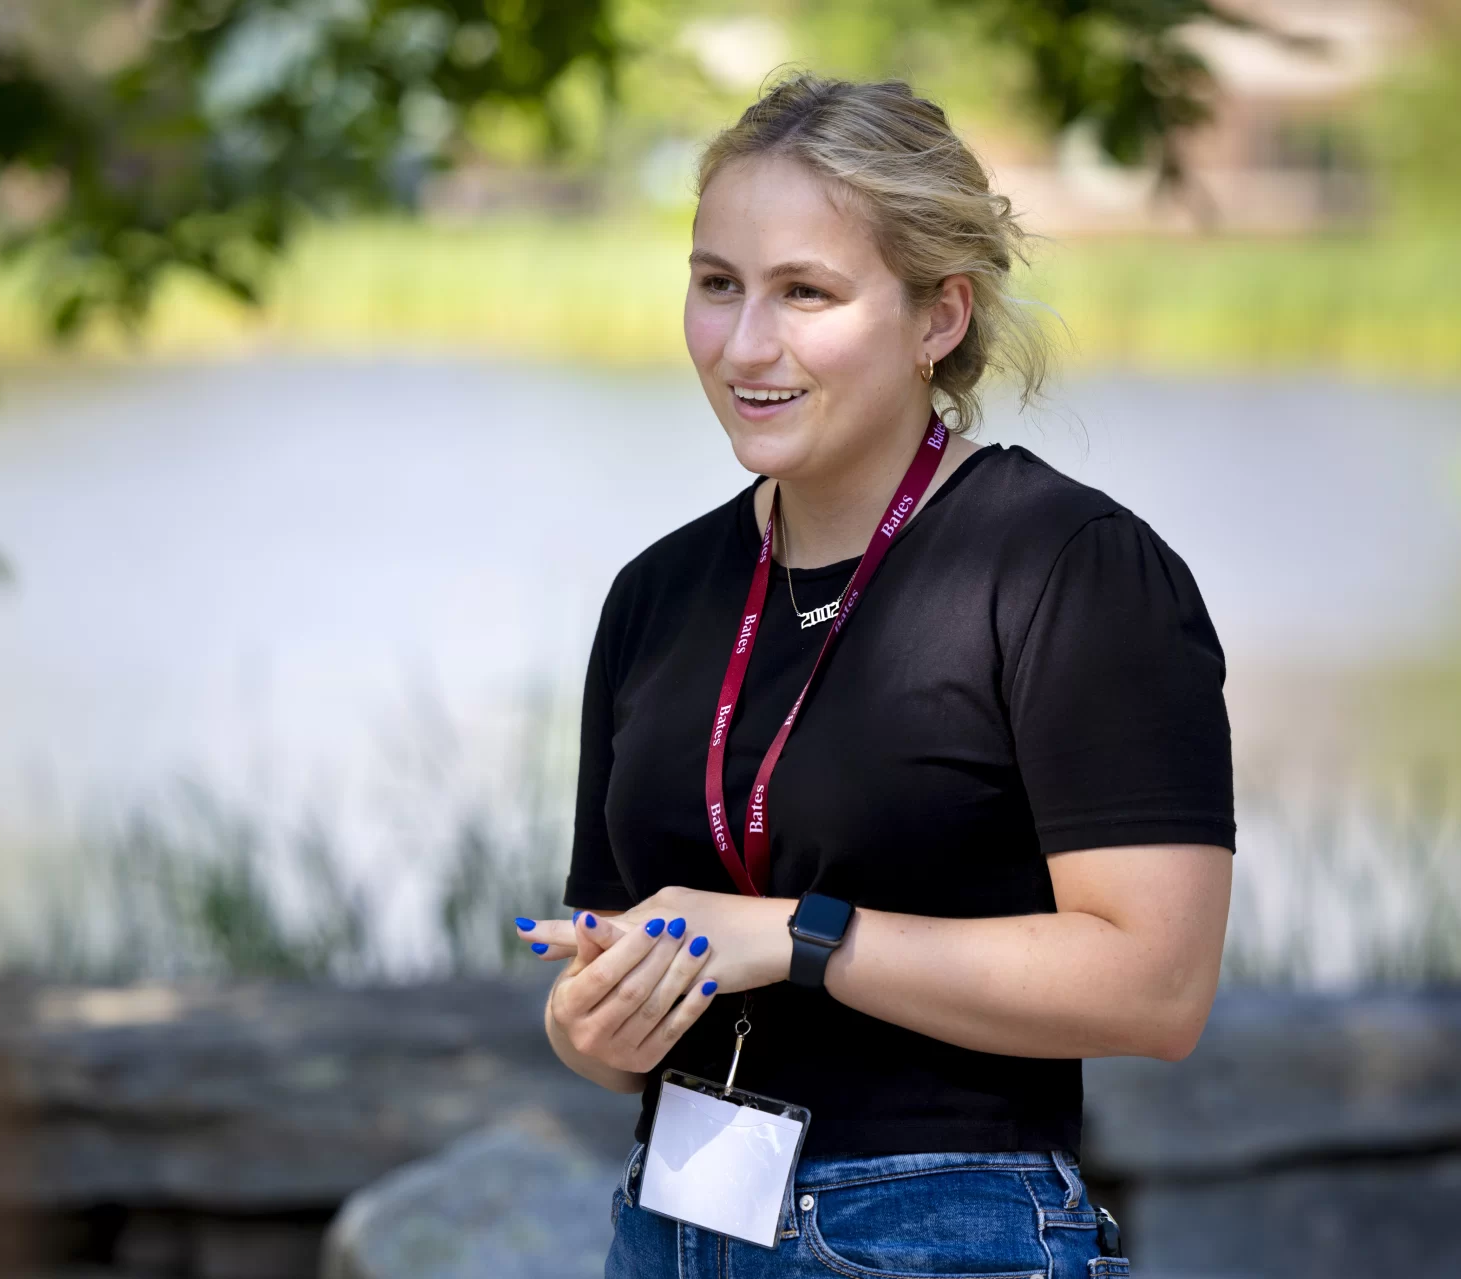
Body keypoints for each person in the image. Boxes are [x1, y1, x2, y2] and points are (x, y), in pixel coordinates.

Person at [512, 73, 1234, 1279]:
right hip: (668, 1226)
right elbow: (615, 977)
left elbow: (1155, 986)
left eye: (806, 292)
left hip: (941, 1233)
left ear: (937, 316)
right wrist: (589, 1023)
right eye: (716, 284)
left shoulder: (1068, 570)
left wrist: (796, 936)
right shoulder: (656, 593)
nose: (746, 344)